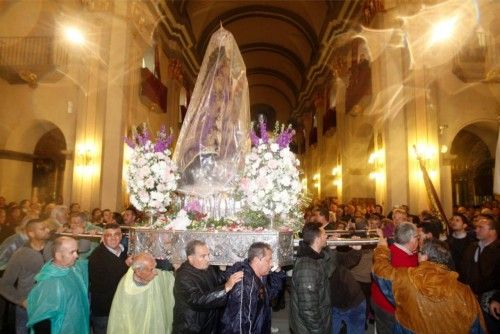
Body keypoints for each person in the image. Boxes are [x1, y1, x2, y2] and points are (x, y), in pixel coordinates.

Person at [373, 232, 487, 333]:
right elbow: (477, 328)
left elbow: (380, 271)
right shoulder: (465, 292)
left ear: (424, 257)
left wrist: (382, 248)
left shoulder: (406, 278)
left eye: (419, 251)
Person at [173, 240, 243, 333]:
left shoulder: (206, 267)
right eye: (203, 256)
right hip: (192, 328)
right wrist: (225, 288)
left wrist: (238, 267)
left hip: (207, 324)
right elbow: (198, 300)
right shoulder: (183, 276)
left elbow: (220, 277)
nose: (208, 259)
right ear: (190, 258)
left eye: (208, 255)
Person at [27, 236, 89, 334]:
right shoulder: (51, 282)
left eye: (76, 251)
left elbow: (88, 260)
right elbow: (42, 320)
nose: (76, 255)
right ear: (59, 256)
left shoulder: (72, 269)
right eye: (72, 252)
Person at [220, 242, 286, 333]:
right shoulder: (245, 283)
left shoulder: (261, 275)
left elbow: (270, 295)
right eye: (268, 260)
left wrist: (278, 273)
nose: (271, 264)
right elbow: (240, 324)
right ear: (256, 260)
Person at [0, 219, 51, 334]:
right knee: (22, 329)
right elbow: (4, 284)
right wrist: (20, 301)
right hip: (27, 304)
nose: (48, 230)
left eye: (47, 227)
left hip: (48, 302)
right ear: (31, 233)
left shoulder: (52, 248)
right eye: (43, 228)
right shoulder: (20, 254)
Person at [107, 252, 175, 334]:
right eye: (151, 269)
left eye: (155, 267)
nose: (156, 272)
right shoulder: (128, 289)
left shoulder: (149, 275)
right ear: (138, 271)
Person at [370, 222, 418, 334]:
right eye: (417, 237)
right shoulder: (405, 265)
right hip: (389, 309)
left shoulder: (389, 249)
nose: (418, 240)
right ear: (411, 239)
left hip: (378, 300)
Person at [290, 222, 334, 334]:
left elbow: (329, 271)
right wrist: (319, 331)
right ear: (318, 239)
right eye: (324, 234)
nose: (326, 236)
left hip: (318, 322)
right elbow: (308, 309)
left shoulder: (317, 257)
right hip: (309, 329)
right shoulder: (307, 268)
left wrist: (332, 250)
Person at [461, 214, 500, 333]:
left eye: (481, 227)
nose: (476, 230)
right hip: (469, 299)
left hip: (489, 302)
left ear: (493, 231)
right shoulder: (472, 247)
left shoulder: (498, 251)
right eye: (476, 227)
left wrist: (497, 299)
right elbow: (462, 271)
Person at [88, 223, 129, 334]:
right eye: (109, 235)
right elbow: (101, 285)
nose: (113, 238)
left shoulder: (125, 252)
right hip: (104, 310)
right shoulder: (96, 257)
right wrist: (125, 266)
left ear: (121, 236)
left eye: (116, 234)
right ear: (103, 237)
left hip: (122, 306)